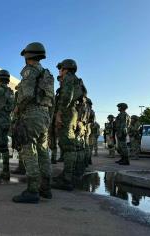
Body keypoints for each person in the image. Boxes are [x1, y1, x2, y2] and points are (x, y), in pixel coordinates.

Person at [12, 42, 54, 203]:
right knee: (43, 151)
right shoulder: (46, 74)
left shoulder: (30, 71)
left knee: (28, 150)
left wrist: (17, 109)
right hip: (44, 115)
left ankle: (32, 190)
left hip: (31, 114)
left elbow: (27, 94)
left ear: (28, 56)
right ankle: (46, 188)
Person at [52, 59, 83, 191]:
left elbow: (67, 97)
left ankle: (67, 180)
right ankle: (66, 175)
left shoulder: (69, 78)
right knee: (66, 145)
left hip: (66, 112)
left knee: (68, 146)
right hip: (70, 112)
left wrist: (59, 113)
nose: (60, 71)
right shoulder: (75, 79)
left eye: (61, 69)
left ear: (66, 69)